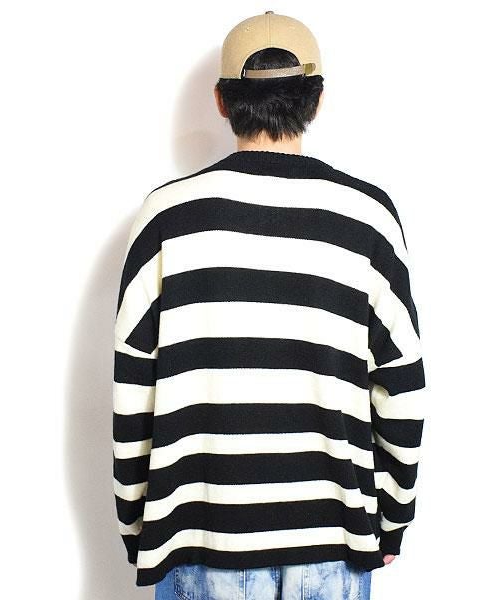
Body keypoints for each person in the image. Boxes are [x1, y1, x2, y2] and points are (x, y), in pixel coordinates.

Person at [112, 10, 427, 600]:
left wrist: (138, 524)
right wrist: (392, 517)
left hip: (198, 538)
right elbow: (402, 387)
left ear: (221, 100)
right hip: (333, 542)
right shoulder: (367, 220)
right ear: (318, 100)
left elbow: (133, 390)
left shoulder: (166, 221)